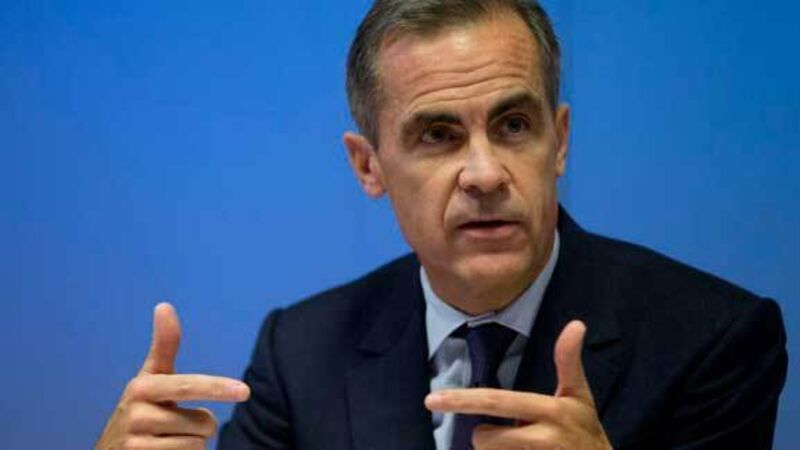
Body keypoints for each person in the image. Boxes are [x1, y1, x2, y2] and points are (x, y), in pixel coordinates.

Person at [96, 1, 788, 449]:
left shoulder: (712, 339)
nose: (484, 173)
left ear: (560, 141)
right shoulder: (300, 353)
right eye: (437, 135)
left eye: (513, 125)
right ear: (369, 166)